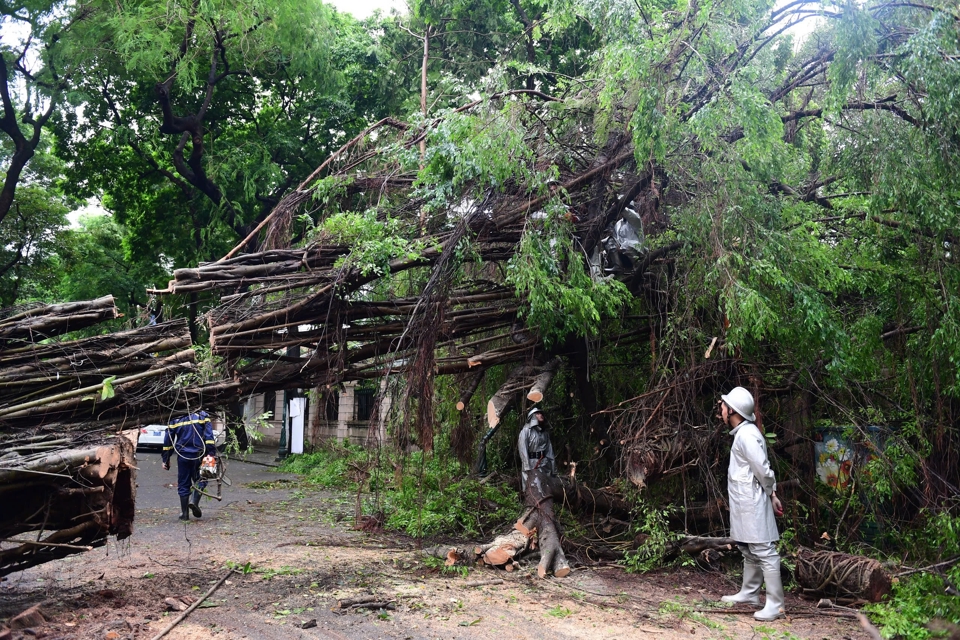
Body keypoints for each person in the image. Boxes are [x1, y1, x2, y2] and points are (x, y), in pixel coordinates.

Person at [717, 386, 786, 621]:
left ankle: (776, 604)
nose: (721, 409)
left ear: (733, 410)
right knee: (748, 549)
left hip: (753, 502)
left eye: (724, 406)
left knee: (764, 551)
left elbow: (763, 470)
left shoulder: (747, 435)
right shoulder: (743, 433)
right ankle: (749, 593)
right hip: (744, 502)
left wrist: (772, 493)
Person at [161, 411, 217, 521]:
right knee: (202, 478)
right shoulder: (203, 416)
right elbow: (209, 437)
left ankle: (184, 514)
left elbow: (168, 441)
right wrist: (211, 455)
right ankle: (194, 501)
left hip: (183, 456)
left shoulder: (175, 418)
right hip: (199, 455)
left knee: (183, 484)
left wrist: (166, 459)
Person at [518, 407, 555, 492]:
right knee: (532, 487)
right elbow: (523, 450)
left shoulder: (544, 433)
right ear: (532, 417)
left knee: (545, 488)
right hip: (532, 463)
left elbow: (550, 451)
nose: (541, 415)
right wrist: (527, 468)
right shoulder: (526, 431)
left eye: (541, 413)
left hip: (544, 463)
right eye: (537, 414)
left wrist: (553, 468)